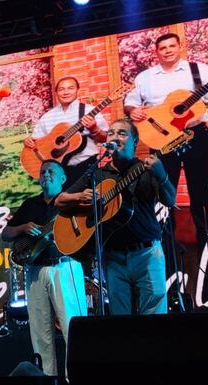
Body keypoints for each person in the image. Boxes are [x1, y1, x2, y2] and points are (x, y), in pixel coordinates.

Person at [124, 32, 208, 260]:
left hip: (197, 135)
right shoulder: (145, 77)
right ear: (156, 52)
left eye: (171, 46)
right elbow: (130, 104)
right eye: (162, 47)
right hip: (161, 139)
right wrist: (132, 111)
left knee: (201, 191)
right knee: (164, 191)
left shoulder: (198, 70)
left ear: (180, 47)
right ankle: (165, 246)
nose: (167, 50)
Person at [56, 119, 176, 315]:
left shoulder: (146, 168)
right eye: (111, 133)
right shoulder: (98, 173)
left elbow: (170, 200)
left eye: (122, 133)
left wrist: (161, 175)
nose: (114, 137)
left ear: (135, 142)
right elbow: (60, 201)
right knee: (120, 321)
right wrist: (80, 196)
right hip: (113, 258)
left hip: (146, 253)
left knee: (155, 319)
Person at [1, 161, 86, 377]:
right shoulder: (30, 204)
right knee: (40, 334)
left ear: (62, 178)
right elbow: (6, 234)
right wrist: (24, 227)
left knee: (73, 330)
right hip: (36, 271)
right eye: (42, 172)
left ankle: (74, 378)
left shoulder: (71, 202)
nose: (45, 175)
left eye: (51, 172)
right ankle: (47, 379)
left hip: (64, 267)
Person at [24, 77, 108, 188]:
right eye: (61, 89)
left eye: (70, 88)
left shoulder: (88, 111)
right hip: (59, 173)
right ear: (56, 92)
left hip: (87, 168)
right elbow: (35, 141)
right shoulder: (47, 117)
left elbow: (105, 138)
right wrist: (29, 142)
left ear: (77, 90)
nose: (66, 92)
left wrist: (94, 129)